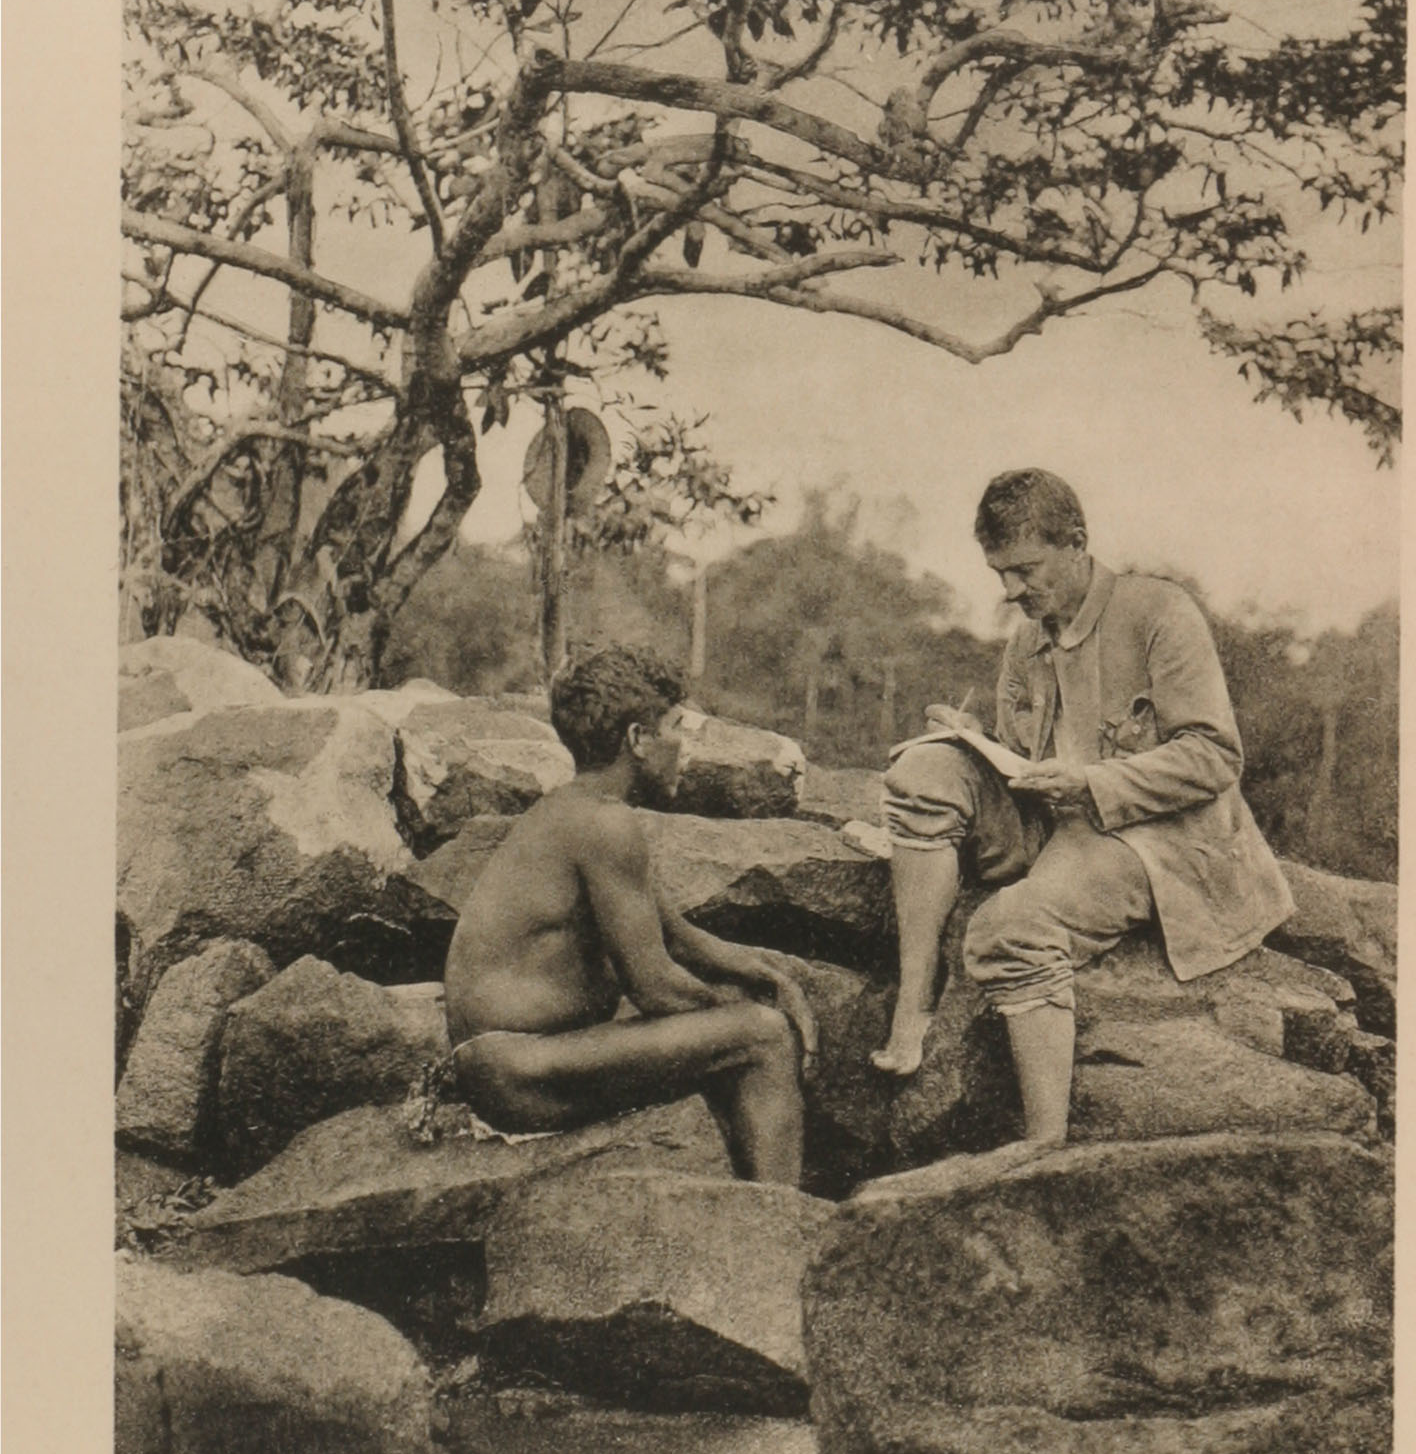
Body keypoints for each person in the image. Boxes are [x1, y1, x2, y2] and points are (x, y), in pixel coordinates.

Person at [872, 469, 1293, 1163]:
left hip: (1155, 837)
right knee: (922, 773)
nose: (1011, 591)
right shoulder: (1027, 637)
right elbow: (1024, 755)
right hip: (1055, 819)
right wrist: (972, 739)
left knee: (1009, 927)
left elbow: (1215, 755)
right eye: (999, 573)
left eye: (1025, 570)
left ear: (1076, 543)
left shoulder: (1159, 611)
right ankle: (913, 1003)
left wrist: (1094, 782)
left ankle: (1044, 1142)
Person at [444, 643, 817, 1186]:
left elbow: (678, 938)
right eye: (677, 728)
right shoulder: (605, 825)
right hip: (518, 1070)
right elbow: (654, 987)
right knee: (763, 1037)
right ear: (638, 739)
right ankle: (779, 1220)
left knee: (743, 1021)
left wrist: (773, 978)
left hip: (510, 1064)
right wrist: (744, 1010)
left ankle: (753, 1201)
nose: (686, 748)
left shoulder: (576, 809)